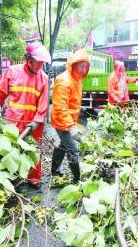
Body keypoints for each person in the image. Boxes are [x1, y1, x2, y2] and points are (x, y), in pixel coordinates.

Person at [0, 42, 51, 189]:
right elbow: (0, 91)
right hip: (13, 121)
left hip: (33, 123)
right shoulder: (12, 71)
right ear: (28, 59)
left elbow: (43, 104)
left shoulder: (44, 78)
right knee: (11, 150)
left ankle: (34, 178)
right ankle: (11, 178)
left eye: (42, 62)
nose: (41, 64)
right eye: (38, 61)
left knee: (34, 151)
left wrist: (37, 120)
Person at [51, 49, 90, 183]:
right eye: (81, 66)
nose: (84, 70)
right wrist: (71, 127)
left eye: (85, 66)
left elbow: (72, 102)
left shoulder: (77, 79)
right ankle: (77, 179)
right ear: (73, 65)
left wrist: (82, 110)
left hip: (69, 120)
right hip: (61, 121)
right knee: (73, 149)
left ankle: (55, 170)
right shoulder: (64, 81)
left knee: (63, 145)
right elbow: (61, 107)